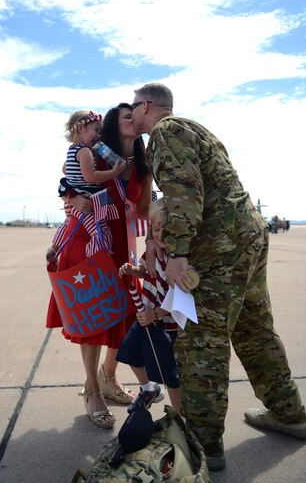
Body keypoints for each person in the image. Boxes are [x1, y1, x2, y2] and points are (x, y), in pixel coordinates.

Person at [131, 82, 306, 471]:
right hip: (247, 237)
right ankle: (290, 414)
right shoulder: (195, 128)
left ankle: (203, 446)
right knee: (254, 329)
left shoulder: (165, 132)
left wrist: (176, 252)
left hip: (219, 249)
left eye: (133, 109)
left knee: (201, 343)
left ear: (146, 105)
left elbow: (183, 192)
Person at [46, 103, 152, 429]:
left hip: (124, 246)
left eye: (135, 115)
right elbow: (69, 181)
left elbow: (146, 209)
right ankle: (92, 389)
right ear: (112, 124)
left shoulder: (143, 164)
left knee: (124, 316)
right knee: (93, 316)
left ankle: (109, 376)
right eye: (126, 116)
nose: (133, 119)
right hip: (92, 239)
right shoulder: (97, 152)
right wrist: (71, 198)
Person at [116, 197, 181, 415]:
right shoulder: (154, 252)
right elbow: (144, 270)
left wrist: (157, 313)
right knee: (130, 352)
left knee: (170, 374)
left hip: (166, 322)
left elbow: (179, 295)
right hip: (145, 315)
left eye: (165, 229)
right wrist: (133, 270)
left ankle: (179, 414)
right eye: (156, 229)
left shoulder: (179, 258)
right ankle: (148, 388)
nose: (160, 234)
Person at [47, 109, 126, 262]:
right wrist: (114, 171)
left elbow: (65, 169)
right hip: (86, 200)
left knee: (66, 224)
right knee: (99, 229)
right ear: (81, 128)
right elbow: (91, 178)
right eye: (96, 130)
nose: (98, 135)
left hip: (72, 201)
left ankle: (54, 248)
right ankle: (97, 256)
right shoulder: (84, 151)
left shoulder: (72, 149)